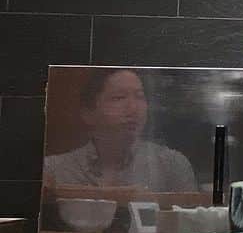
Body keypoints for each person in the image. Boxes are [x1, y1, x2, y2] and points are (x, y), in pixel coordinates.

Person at [44, 68, 198, 193]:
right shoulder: (55, 170)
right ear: (88, 113)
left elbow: (191, 229)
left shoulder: (171, 165)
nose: (133, 109)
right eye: (119, 98)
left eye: (139, 96)